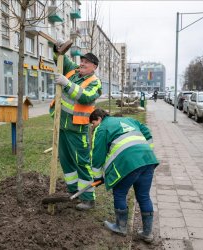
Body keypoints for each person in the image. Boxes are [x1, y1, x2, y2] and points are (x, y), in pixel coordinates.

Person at [89, 108, 159, 243]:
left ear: (98, 119)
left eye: (92, 123)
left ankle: (121, 227)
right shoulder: (128, 120)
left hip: (129, 163)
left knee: (120, 193)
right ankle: (147, 233)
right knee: (144, 196)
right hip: (148, 159)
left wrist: (97, 177)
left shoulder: (102, 128)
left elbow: (97, 155)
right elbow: (146, 131)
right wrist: (147, 150)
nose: (93, 127)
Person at [50, 41, 102, 210]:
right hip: (62, 125)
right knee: (66, 162)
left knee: (82, 162)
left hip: (77, 128)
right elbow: (61, 59)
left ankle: (88, 198)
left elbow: (86, 97)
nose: (82, 64)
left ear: (93, 67)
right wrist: (57, 49)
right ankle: (74, 193)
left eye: (86, 62)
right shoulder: (73, 71)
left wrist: (66, 83)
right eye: (81, 61)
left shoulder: (95, 82)